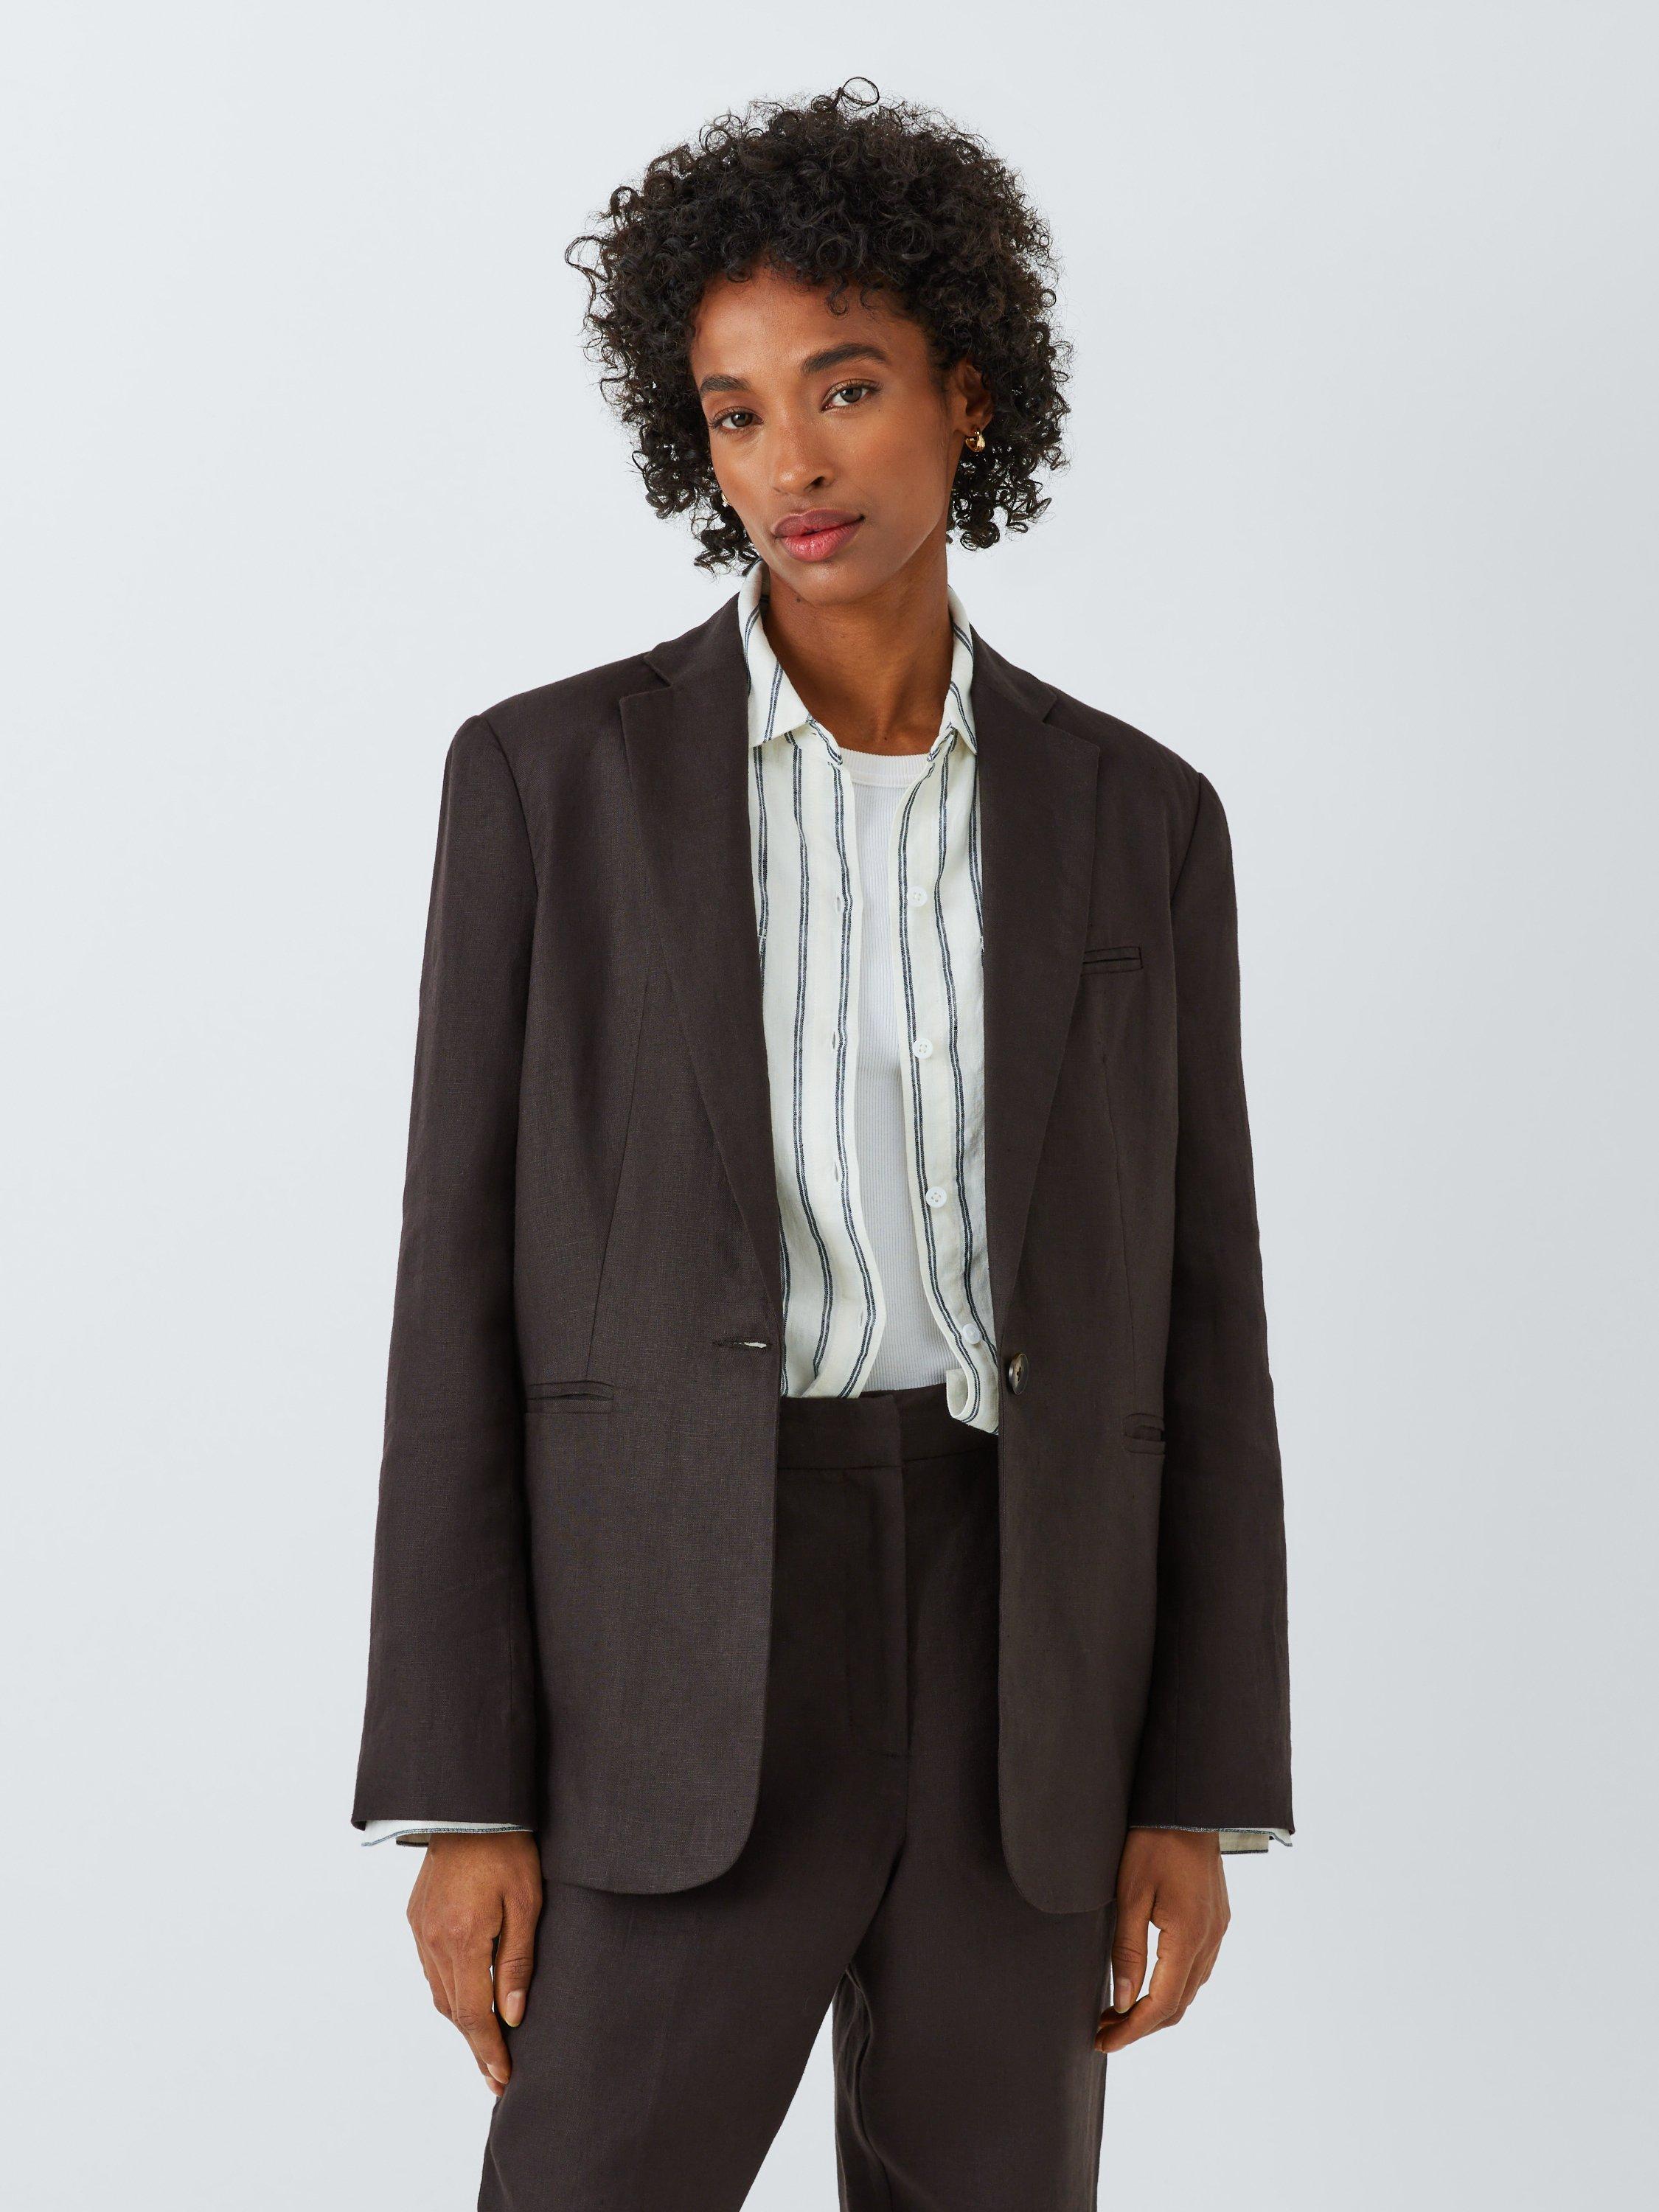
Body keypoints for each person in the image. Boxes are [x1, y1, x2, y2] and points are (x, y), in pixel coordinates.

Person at [352, 80, 1292, 2211]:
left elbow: (1201, 1316)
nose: (791, 459)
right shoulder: (547, 787)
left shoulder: (1140, 818)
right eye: (736, 412)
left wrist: (1197, 1780)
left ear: (969, 396)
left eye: (845, 388)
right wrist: (462, 1794)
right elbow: (455, 1292)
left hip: (1022, 1657)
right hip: (671, 1647)